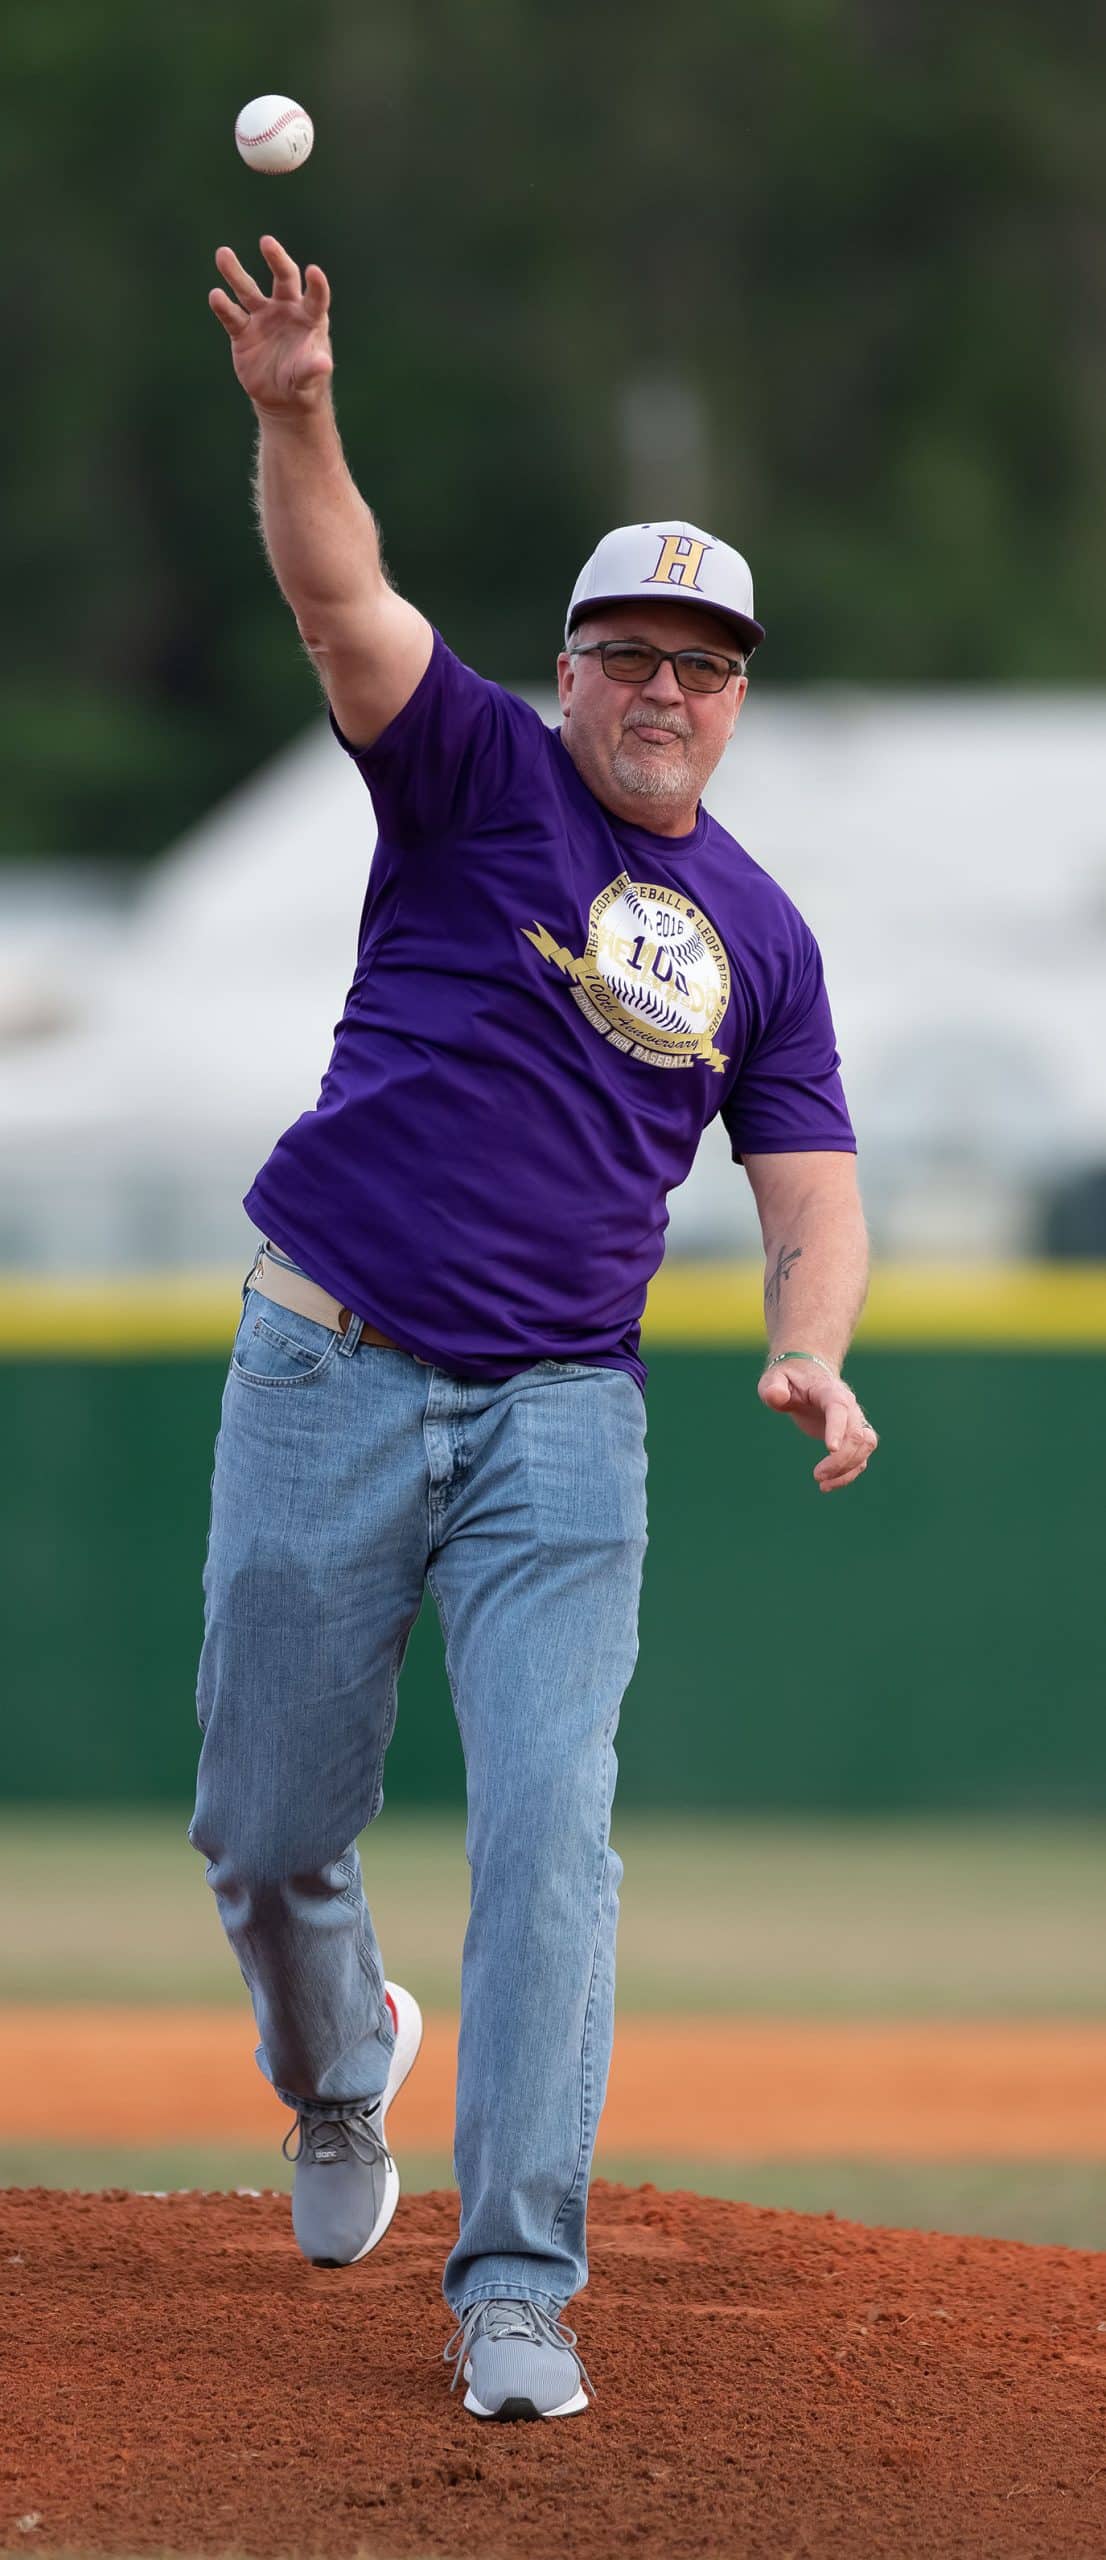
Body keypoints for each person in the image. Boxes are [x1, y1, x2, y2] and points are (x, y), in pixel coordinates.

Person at [193, 232, 879, 2424]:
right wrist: (298, 412)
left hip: (560, 1421)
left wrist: (813, 1335)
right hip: (328, 1347)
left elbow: (814, 1187)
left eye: (704, 659)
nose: (664, 686)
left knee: (548, 1833)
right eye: (629, 650)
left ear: (739, 690)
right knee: (264, 1820)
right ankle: (338, 2066)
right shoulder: (479, 771)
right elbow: (341, 601)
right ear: (570, 670)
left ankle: (515, 2285)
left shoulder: (759, 936)